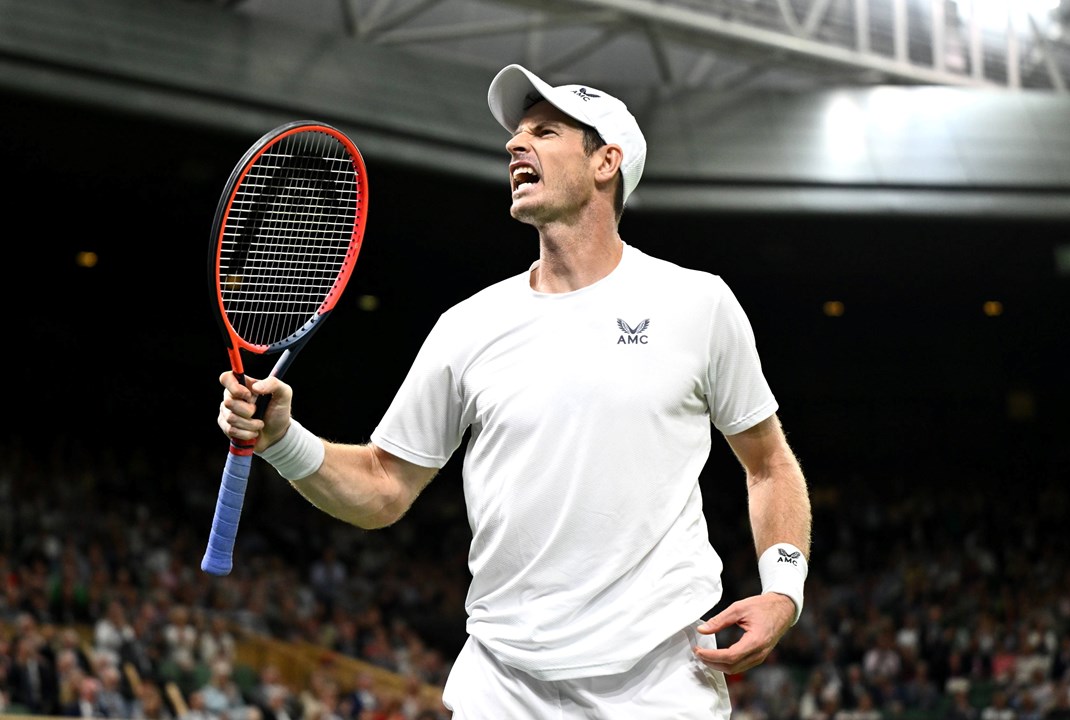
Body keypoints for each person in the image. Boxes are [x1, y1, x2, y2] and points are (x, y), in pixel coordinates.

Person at [217, 63, 812, 718]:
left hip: (662, 683)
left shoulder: (697, 304)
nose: (513, 145)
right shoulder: (468, 327)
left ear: (605, 162)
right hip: (504, 688)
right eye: (516, 133)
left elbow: (767, 464)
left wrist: (783, 588)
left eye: (545, 131)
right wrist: (282, 440)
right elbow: (384, 488)